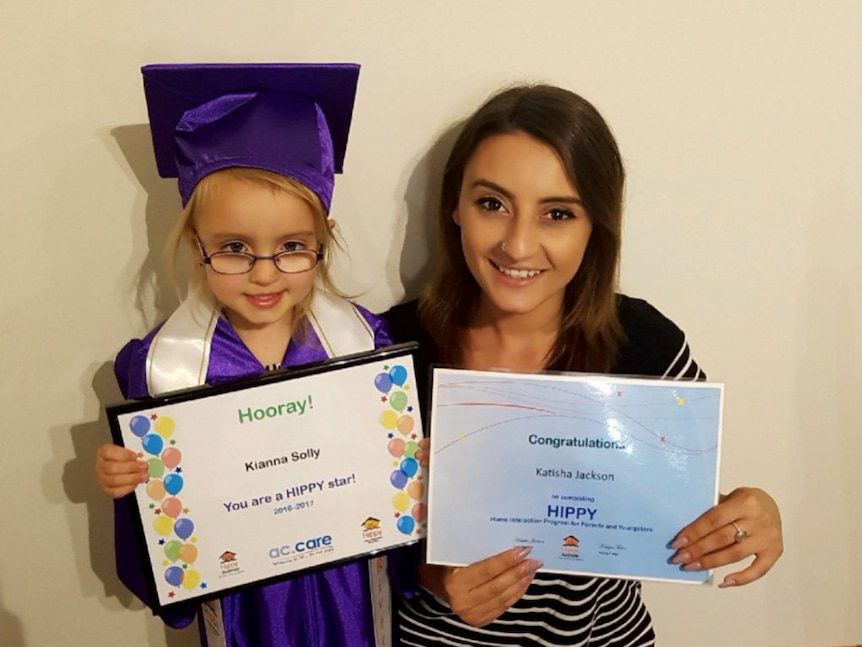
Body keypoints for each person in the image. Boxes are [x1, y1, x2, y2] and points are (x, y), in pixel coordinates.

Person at [385, 84, 784, 646]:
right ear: (455, 206)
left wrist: (752, 514)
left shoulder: (644, 345)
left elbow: (679, 499)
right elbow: (358, 544)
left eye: (557, 213)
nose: (518, 245)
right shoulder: (391, 351)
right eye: (492, 204)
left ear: (595, 224)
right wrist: (433, 577)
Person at [95, 63, 404, 647]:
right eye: (235, 248)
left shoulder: (367, 349)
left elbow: (394, 492)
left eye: (291, 247)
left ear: (322, 242)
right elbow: (163, 541)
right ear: (197, 245)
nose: (264, 274)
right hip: (245, 604)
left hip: (352, 594)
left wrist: (414, 463)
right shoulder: (162, 368)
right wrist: (127, 481)